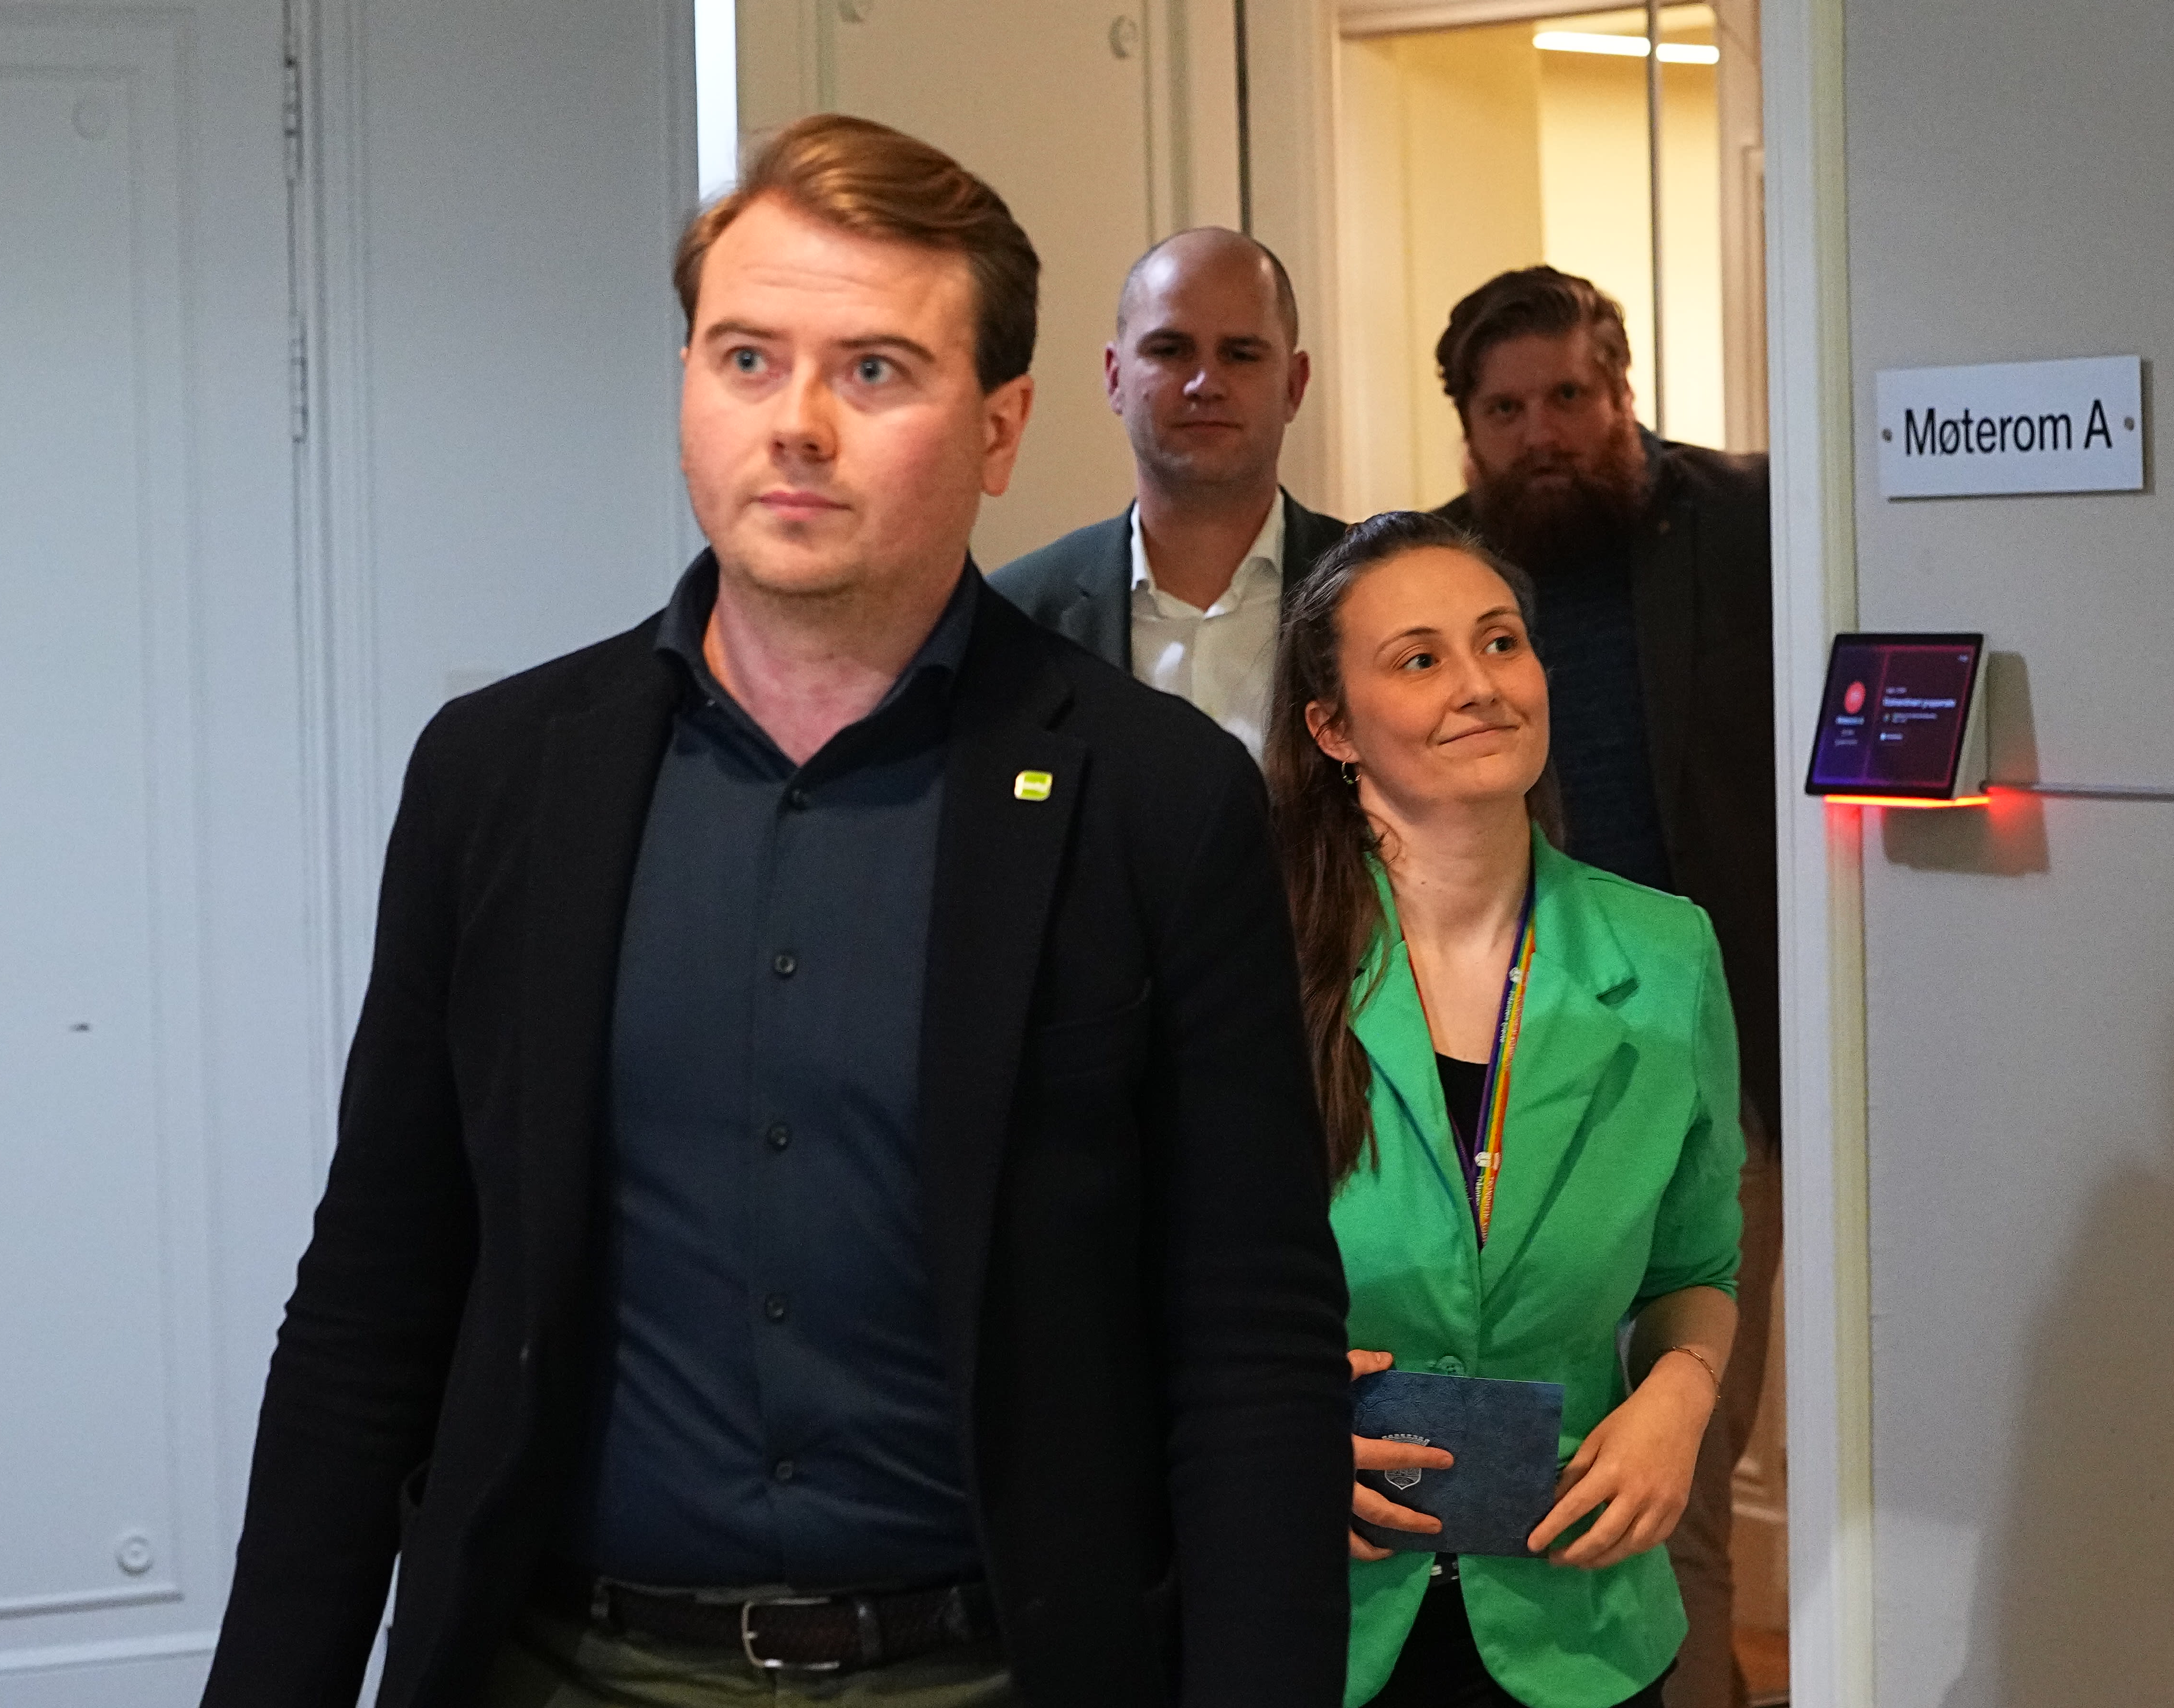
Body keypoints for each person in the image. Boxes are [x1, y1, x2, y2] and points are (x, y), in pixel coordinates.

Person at [200, 114, 1351, 1708]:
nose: (797, 425)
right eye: (747, 359)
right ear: (688, 382)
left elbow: (1251, 1343)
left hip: (992, 1670)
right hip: (566, 1663)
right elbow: (373, 1297)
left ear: (1002, 427)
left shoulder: (1151, 799)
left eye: (874, 371)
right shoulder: (502, 778)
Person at [1265, 510, 1744, 1708]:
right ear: (1332, 727)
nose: (1479, 685)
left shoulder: (1666, 954)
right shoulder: (1242, 954)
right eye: (1419, 658)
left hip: (1575, 1612)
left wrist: (1678, 1398)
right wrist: (1258, 1423)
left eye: (1499, 642)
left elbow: (1697, 1266)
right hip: (1308, 1602)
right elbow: (1131, 1270)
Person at [1432, 268, 1779, 1708]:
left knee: (1675, 1469)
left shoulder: (1757, 522)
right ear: (1467, 428)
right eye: (1505, 409)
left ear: (1621, 390)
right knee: (1508, 1479)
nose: (1542, 435)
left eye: (1568, 397)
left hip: (1710, 1070)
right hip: (1491, 1081)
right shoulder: (1436, 582)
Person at [993, 226, 1347, 759]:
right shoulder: (1013, 619)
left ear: (1295, 386)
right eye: (1170, 350)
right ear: (1115, 377)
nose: (1206, 384)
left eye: (1241, 354)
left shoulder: (1381, 592)